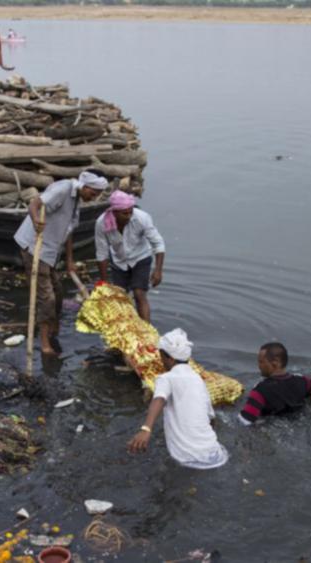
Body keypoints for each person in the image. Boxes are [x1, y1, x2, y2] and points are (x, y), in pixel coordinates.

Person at [14, 170, 108, 356]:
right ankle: (44, 342)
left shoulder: (77, 200)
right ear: (85, 186)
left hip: (51, 250)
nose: (95, 197)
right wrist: (35, 221)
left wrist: (70, 260)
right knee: (46, 297)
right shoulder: (63, 189)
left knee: (58, 290)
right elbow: (35, 203)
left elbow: (69, 230)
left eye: (98, 195)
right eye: (93, 193)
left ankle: (53, 324)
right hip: (35, 246)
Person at [127, 329, 229, 469]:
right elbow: (211, 418)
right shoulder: (197, 379)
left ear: (170, 358)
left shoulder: (166, 378)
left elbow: (159, 399)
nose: (160, 359)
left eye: (161, 356)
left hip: (186, 458)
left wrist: (146, 429)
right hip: (216, 455)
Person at [94, 190, 165, 322]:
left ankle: (146, 333)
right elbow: (102, 253)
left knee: (139, 294)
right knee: (121, 298)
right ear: (114, 212)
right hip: (119, 261)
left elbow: (158, 243)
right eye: (124, 213)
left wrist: (158, 270)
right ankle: (127, 332)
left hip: (141, 257)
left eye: (130, 212)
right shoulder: (101, 223)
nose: (128, 216)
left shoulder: (141, 218)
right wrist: (103, 283)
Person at [238, 342, 311, 426]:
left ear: (275, 363)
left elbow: (245, 421)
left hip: (273, 427)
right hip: (300, 421)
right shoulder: (304, 381)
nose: (259, 366)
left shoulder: (260, 391)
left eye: (261, 362)